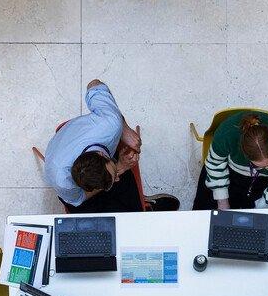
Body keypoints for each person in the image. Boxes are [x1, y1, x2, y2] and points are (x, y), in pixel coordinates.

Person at [41, 79, 178, 214]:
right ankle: (141, 206)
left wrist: (123, 128)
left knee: (127, 210)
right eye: (114, 177)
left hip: (83, 136)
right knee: (97, 222)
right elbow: (79, 198)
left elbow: (94, 84)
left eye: (114, 173)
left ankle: (143, 206)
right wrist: (119, 167)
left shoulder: (109, 124)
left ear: (102, 154)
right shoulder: (62, 181)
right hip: (62, 158)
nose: (117, 178)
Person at [193, 111, 268, 211]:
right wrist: (222, 201)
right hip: (229, 171)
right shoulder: (227, 134)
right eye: (259, 166)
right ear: (244, 153)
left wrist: (260, 209)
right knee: (204, 214)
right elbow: (215, 164)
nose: (267, 168)